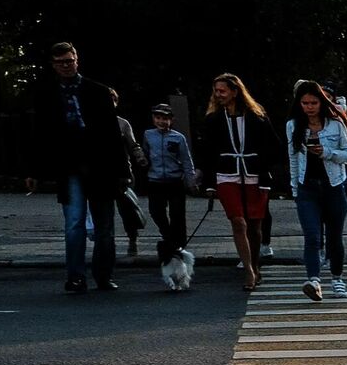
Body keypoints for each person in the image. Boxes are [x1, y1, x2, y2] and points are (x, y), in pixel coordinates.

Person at [24, 42, 132, 294]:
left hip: (100, 166)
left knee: (104, 226)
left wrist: (123, 173)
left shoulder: (98, 92)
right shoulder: (46, 95)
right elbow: (38, 135)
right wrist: (33, 170)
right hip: (69, 165)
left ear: (76, 60)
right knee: (74, 224)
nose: (66, 66)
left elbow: (113, 136)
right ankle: (76, 276)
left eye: (69, 60)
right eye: (60, 62)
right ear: (53, 65)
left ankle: (103, 275)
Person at [198, 73, 283, 290]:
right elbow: (206, 153)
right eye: (216, 91)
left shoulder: (256, 115)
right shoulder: (213, 119)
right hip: (226, 175)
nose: (218, 95)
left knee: (255, 225)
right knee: (238, 222)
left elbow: (274, 145)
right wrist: (208, 183)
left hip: (255, 174)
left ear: (235, 91)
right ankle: (249, 271)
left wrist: (264, 165)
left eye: (222, 90)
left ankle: (256, 264)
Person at [285, 79, 347, 300]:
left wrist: (326, 152)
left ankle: (337, 278)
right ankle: (314, 280)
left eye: (313, 102)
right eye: (305, 103)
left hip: (333, 186)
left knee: (335, 238)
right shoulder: (293, 125)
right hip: (307, 189)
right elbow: (293, 159)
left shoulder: (336, 124)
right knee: (312, 237)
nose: (309, 107)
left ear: (321, 102)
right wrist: (295, 189)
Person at [141, 102, 198, 262]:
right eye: (158, 118)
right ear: (153, 119)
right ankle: (168, 236)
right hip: (155, 180)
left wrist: (191, 180)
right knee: (156, 211)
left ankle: (179, 246)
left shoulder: (178, 138)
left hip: (174, 181)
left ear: (171, 120)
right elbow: (145, 154)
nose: (161, 121)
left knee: (177, 214)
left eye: (165, 119)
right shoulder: (148, 135)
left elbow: (186, 160)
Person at [110, 90, 149, 257]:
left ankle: (133, 238)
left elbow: (133, 144)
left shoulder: (122, 124)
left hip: (122, 173)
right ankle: (106, 242)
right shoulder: (93, 122)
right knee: (103, 211)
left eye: (112, 100)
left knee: (127, 209)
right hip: (101, 173)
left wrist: (140, 158)